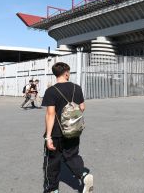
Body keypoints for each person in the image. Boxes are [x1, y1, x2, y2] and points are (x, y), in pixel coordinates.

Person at [42, 62, 93, 193]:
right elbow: (82, 107)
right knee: (72, 155)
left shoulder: (51, 91)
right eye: (69, 72)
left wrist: (48, 137)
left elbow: (50, 114)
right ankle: (84, 175)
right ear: (65, 73)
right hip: (74, 130)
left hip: (57, 132)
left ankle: (52, 190)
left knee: (52, 161)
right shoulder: (77, 88)